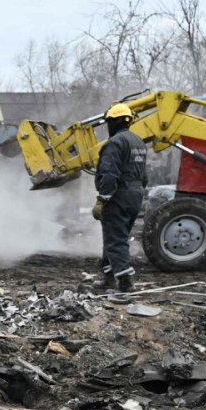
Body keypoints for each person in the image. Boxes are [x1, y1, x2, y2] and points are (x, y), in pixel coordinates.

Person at [93, 102, 149, 293]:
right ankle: (108, 278)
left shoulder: (115, 143)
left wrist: (102, 199)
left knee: (115, 239)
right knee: (115, 236)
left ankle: (125, 283)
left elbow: (109, 173)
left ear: (113, 122)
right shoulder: (138, 142)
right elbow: (143, 174)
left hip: (118, 196)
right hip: (135, 195)